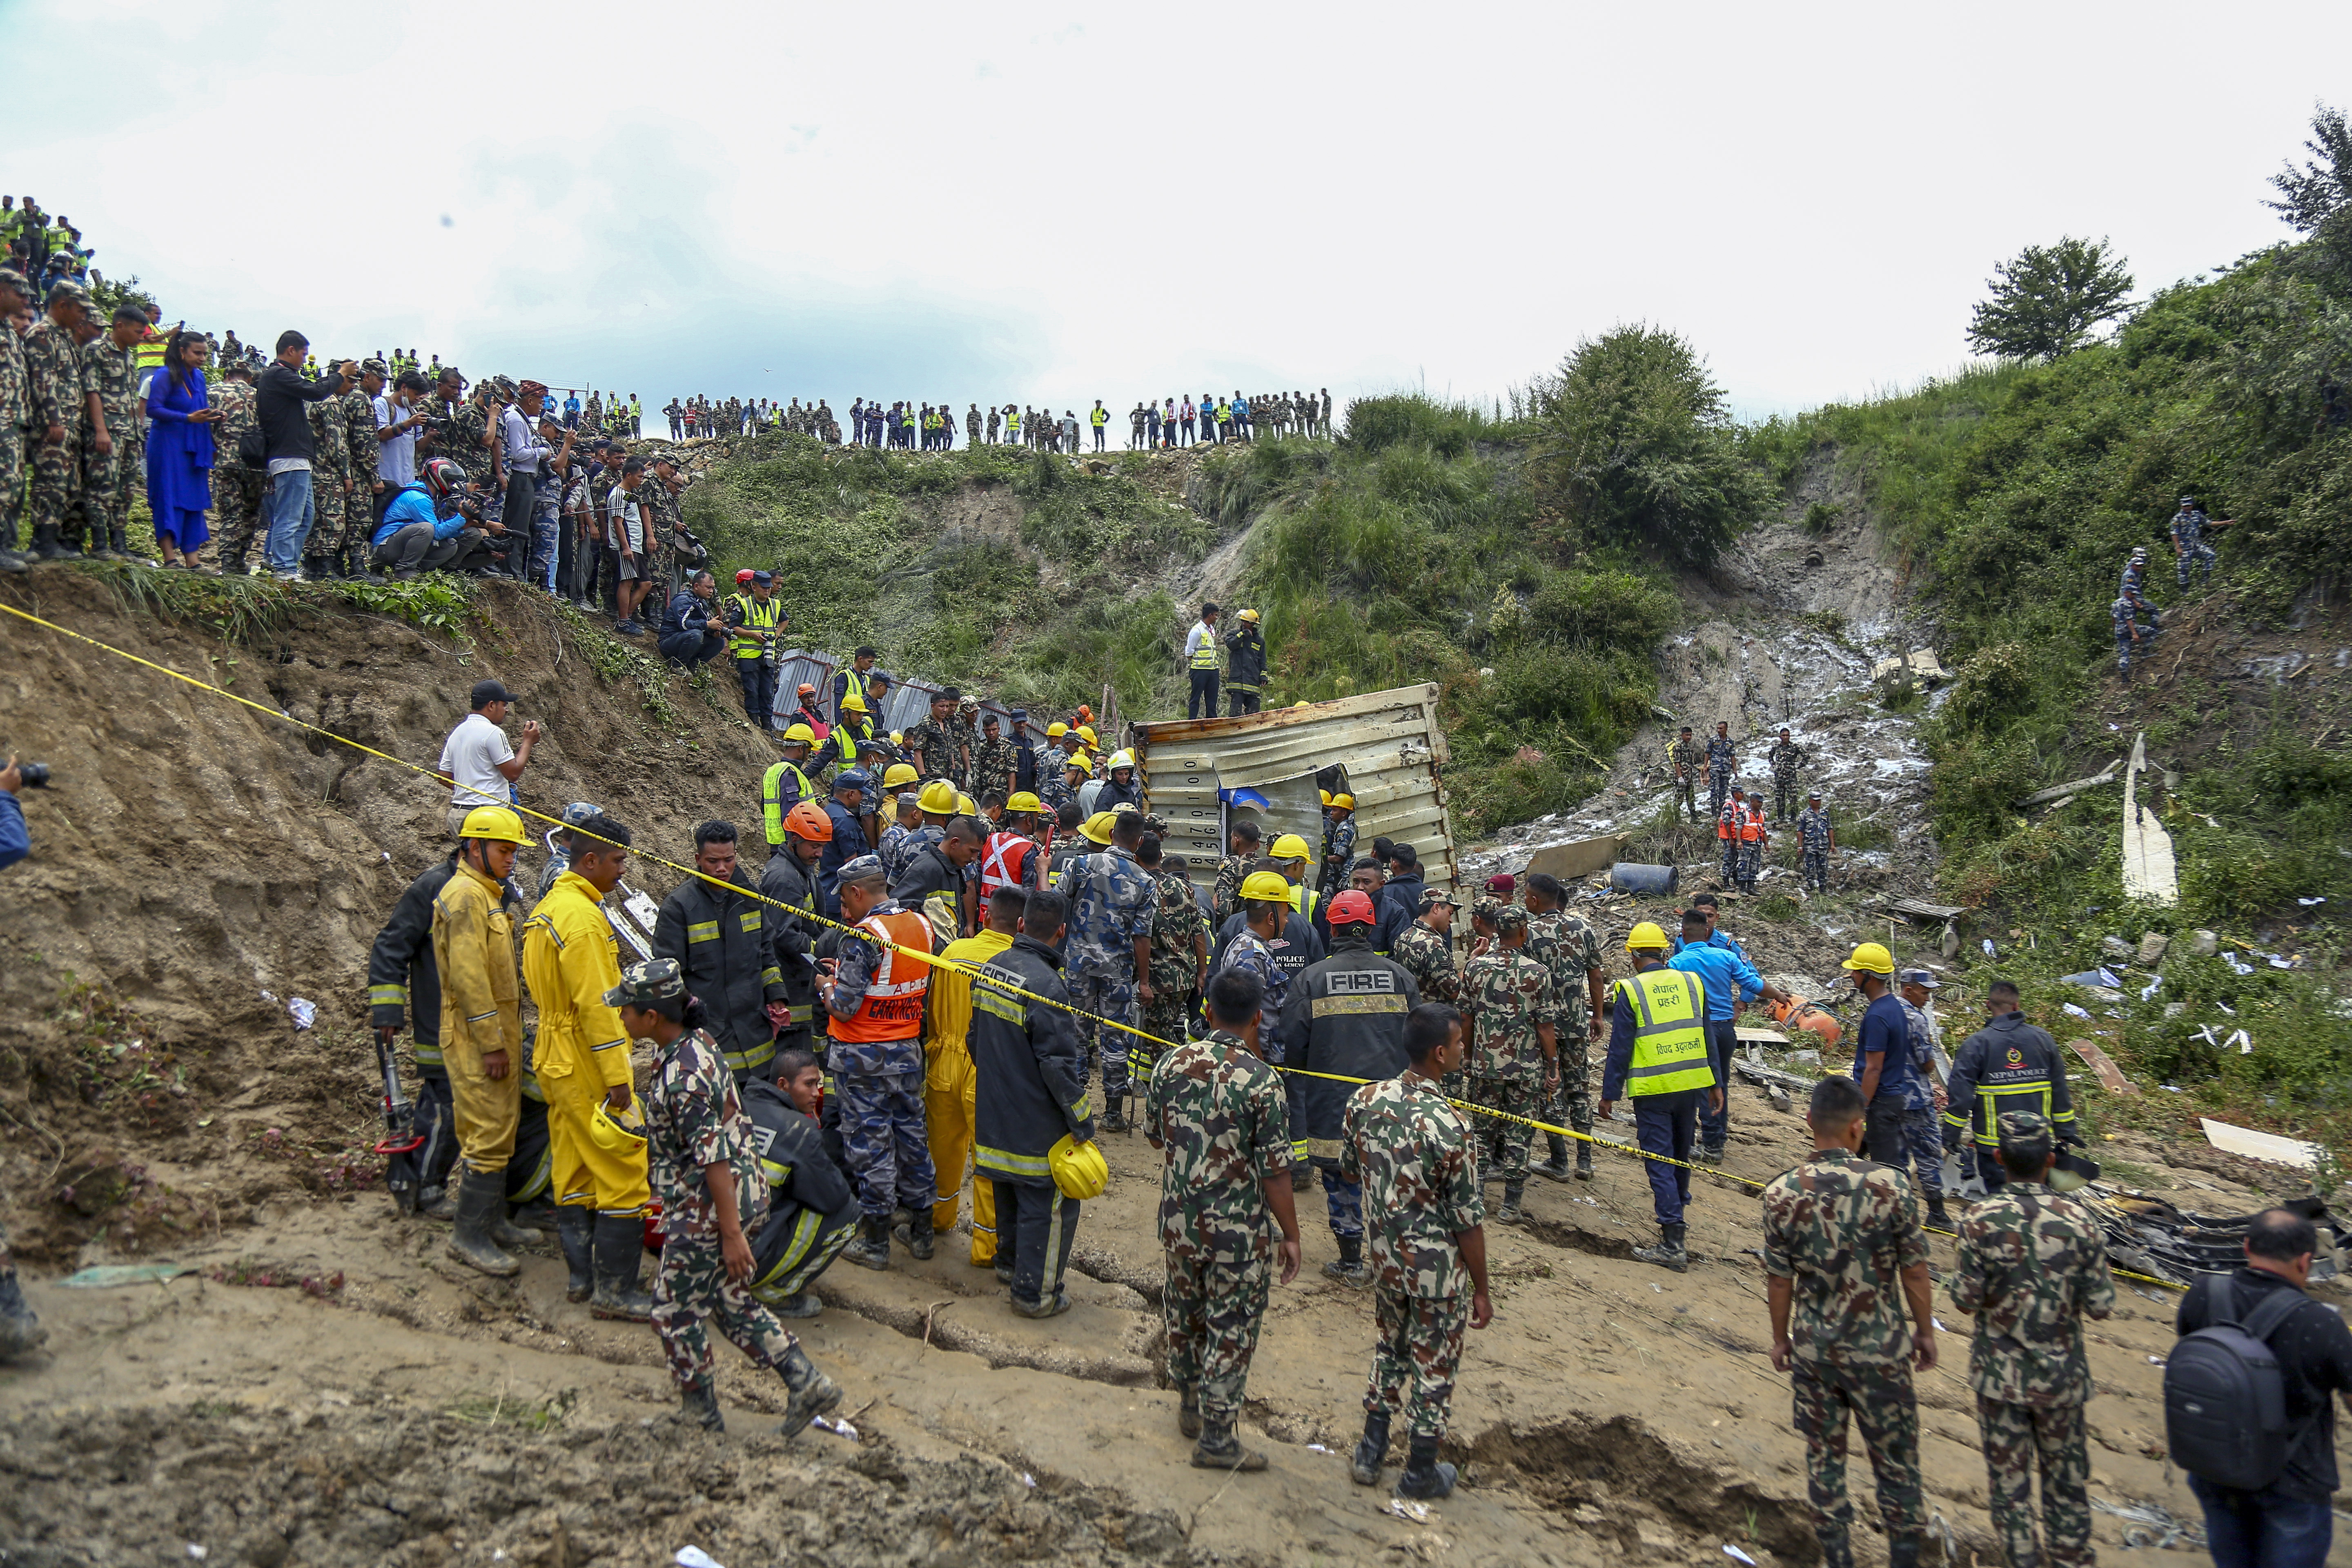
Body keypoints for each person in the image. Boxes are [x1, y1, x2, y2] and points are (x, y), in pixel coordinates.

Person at [617, 958, 845, 1439]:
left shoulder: (683, 1074)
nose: (622, 1017)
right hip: (733, 1195)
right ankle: (807, 1382)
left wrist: (731, 1234)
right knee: (727, 1300)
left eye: (628, 1010)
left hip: (709, 1206)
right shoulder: (696, 1044)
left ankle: (699, 1414)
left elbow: (713, 1157)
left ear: (652, 1017)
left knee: (674, 1313)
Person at [1762, 1074, 1935, 1568]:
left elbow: (1779, 1281)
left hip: (1816, 1355)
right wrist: (1923, 1332)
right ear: (1859, 1128)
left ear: (1809, 1122)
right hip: (1882, 1355)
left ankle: (1838, 1558)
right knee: (1898, 1467)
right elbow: (1916, 1271)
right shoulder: (1891, 1186)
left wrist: (1781, 1340)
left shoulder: (1781, 1194)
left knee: (1825, 1462)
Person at [1145, 965, 1303, 1471]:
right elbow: (1276, 1173)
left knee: (1184, 1316)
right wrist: (1292, 1235)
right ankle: (1216, 1437)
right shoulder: (1262, 1082)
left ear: (1207, 1011)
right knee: (1231, 1326)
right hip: (1237, 1234)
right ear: (1258, 1018)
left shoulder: (1170, 1064)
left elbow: (1154, 1135)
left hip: (1180, 1223)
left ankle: (1189, 1404)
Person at [1949, 1111, 2114, 1568]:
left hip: (2000, 1383)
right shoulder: (2081, 1222)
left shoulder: (1978, 1220)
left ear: (1999, 1158)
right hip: (2062, 1382)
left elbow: (1964, 1300)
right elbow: (2101, 1305)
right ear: (2049, 1160)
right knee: (2066, 1485)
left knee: (2010, 1489)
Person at [1340, 1002, 1489, 1499]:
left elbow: (1348, 1167)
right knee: (1434, 1365)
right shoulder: (1452, 1125)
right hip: (1437, 1272)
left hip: (1385, 1259)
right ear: (1441, 1053)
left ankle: (1370, 1451)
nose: (1464, 1049)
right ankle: (1420, 1469)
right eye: (1460, 1044)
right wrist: (1483, 1288)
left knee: (1390, 1349)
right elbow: (1467, 1221)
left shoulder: (1365, 1101)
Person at [521, 811, 655, 1322]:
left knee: (575, 1165)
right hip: (582, 1057)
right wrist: (619, 1079)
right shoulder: (581, 920)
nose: (623, 870)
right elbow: (599, 1006)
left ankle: (582, 1278)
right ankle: (615, 1291)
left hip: (554, 1055)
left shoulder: (551, 908)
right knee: (624, 1166)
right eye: (619, 861)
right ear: (592, 860)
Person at [2173, 1207, 2352, 1568]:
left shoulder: (2204, 1294)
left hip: (2215, 1467)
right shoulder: (2323, 1325)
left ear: (2246, 1246)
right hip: (2294, 1483)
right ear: (2305, 1261)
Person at [970, 889, 1099, 1317]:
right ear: (1061, 932)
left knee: (1007, 1191)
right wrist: (1082, 1122)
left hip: (992, 1114)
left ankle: (1010, 1268)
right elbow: (1058, 1067)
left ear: (1021, 924)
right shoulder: (1048, 986)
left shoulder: (990, 968)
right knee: (1049, 1207)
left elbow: (975, 1040)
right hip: (1035, 1125)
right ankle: (1035, 1295)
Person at [425, 805, 541, 1277]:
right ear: (474, 848)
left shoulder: (485, 894)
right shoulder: (466, 898)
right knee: (488, 1134)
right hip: (477, 1041)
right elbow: (471, 980)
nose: (511, 858)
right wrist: (492, 1043)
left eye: (515, 850)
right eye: (503, 849)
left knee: (502, 1124)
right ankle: (468, 1236)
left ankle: (492, 1221)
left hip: (498, 1036)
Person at [1281, 889, 1420, 1283]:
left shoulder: (1310, 979)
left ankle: (1351, 1260)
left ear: (1332, 928)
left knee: (1341, 1180)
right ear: (1371, 928)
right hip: (1392, 1103)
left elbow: (1293, 1045)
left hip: (1332, 1103)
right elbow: (1418, 1040)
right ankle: (1394, 1260)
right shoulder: (1401, 978)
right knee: (1390, 1179)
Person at [818, 855, 937, 1270]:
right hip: (906, 1052)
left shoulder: (863, 936)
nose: (844, 910)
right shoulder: (922, 925)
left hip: (862, 1057)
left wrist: (826, 986)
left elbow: (845, 1007)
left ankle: (875, 1241)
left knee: (871, 1146)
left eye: (845, 901)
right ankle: (922, 1232)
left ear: (857, 892)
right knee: (912, 1139)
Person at [1599, 921, 1718, 1271]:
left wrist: (1609, 1095)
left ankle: (1672, 1241)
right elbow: (1706, 1031)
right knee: (1681, 1155)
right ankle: (1678, 1213)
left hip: (1654, 1090)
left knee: (1660, 1160)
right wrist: (1717, 1084)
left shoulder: (1631, 990)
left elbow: (1620, 1048)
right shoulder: (1692, 983)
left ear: (1633, 955)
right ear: (1666, 952)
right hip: (1691, 1084)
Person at [924, 884, 1025, 1268]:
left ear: (985, 917)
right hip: (986, 1070)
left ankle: (938, 1218)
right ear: (1021, 924)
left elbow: (933, 1010)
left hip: (943, 1062)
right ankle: (986, 1248)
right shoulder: (1014, 963)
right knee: (989, 1163)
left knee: (943, 1151)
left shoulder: (952, 952)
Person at [653, 821, 789, 1085]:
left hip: (756, 1032)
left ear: (736, 855)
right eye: (713, 861)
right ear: (697, 859)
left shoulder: (750, 898)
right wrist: (689, 1015)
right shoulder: (679, 907)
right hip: (709, 1035)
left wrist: (776, 995)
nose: (721, 869)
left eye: (728, 860)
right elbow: (668, 975)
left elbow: (766, 952)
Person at [1059, 809, 1158, 1131]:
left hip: (1078, 966)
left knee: (1076, 1034)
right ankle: (1114, 1113)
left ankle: (1074, 1107)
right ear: (1139, 841)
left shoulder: (1081, 865)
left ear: (1111, 832)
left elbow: (1058, 903)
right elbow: (1143, 936)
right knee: (1116, 1038)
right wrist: (1144, 983)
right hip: (1117, 970)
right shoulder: (1145, 881)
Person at [1459, 905, 1558, 1223]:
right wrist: (1552, 1065)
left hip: (1486, 1065)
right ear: (1524, 931)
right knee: (1520, 1134)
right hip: (1526, 1069)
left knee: (1482, 1133)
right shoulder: (1538, 973)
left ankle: (1475, 1197)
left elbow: (1466, 1017)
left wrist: (1467, 1054)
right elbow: (1545, 1027)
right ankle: (1511, 1205)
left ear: (1496, 932)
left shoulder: (1476, 969)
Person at [1667, 909, 1789, 1165]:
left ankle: (1695, 1143)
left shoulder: (1678, 963)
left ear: (1683, 934)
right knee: (1719, 1084)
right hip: (1724, 1031)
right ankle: (1714, 1142)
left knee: (1694, 1085)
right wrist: (1777, 994)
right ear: (1708, 931)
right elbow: (1753, 984)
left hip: (1696, 1030)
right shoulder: (1726, 957)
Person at [1944, 980, 2076, 1196]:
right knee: (2039, 1200)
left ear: (1988, 1005)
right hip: (2038, 1143)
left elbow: (1960, 1097)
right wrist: (2066, 1131)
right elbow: (2060, 1089)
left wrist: (1951, 1134)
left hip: (1996, 1147)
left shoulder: (1976, 1045)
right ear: (2017, 1006)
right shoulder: (2043, 1040)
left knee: (2000, 1202)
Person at [1521, 873, 1607, 1182]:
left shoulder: (1527, 933)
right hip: (1576, 1023)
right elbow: (1596, 976)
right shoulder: (1582, 928)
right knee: (1580, 1089)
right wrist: (1597, 1015)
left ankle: (1559, 1161)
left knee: (1550, 1091)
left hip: (1543, 1028)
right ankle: (1585, 1161)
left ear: (1534, 899)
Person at [255, 331, 354, 580]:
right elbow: (314, 392)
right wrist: (340, 374)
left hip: (295, 458)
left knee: (305, 517)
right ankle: (283, 568)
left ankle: (286, 565)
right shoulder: (278, 374)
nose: (304, 359)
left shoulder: (279, 378)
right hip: (289, 457)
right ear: (291, 350)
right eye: (303, 353)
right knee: (290, 516)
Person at [141, 326, 218, 569]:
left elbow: (198, 409)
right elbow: (153, 410)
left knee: (193, 500)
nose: (203, 359)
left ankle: (193, 561)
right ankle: (170, 559)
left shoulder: (200, 377)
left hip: (193, 448)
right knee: (168, 497)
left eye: (205, 354)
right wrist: (187, 419)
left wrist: (212, 416)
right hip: (167, 445)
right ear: (183, 351)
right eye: (198, 353)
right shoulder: (165, 375)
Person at [1137, 834, 1207, 1080]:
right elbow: (1199, 932)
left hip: (1154, 980)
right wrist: (1201, 973)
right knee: (1165, 1033)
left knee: (1158, 1042)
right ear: (1160, 856)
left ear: (1135, 857)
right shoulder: (1184, 887)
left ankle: (1180, 1084)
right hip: (1183, 978)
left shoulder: (1137, 885)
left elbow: (1139, 937)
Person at [437, 679, 540, 840]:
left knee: (468, 863)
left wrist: (470, 791)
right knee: (494, 863)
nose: (506, 710)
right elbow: (513, 773)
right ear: (492, 705)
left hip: (459, 816)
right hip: (487, 818)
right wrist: (528, 742)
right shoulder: (493, 733)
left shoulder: (457, 732)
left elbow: (443, 777)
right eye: (504, 705)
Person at [1842, 942, 1913, 1169]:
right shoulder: (1893, 1007)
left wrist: (1861, 1109)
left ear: (1868, 977)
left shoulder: (1877, 1016)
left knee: (1888, 1170)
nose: (1851, 975)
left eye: (1855, 971)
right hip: (1888, 1100)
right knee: (1848, 1159)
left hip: (1880, 1104)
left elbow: (1874, 1068)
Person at [1893, 971, 1951, 1230]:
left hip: (1890, 1098)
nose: (1928, 999)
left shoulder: (1883, 1011)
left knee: (1898, 1158)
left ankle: (1901, 1211)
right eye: (1925, 992)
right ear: (1908, 990)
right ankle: (1937, 1213)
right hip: (1917, 1100)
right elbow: (1928, 1063)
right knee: (1929, 1156)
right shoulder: (1916, 1019)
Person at [723, 570, 786, 728]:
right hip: (748, 655)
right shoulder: (744, 604)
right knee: (751, 690)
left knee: (767, 691)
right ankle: (753, 722)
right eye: (764, 587)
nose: (767, 590)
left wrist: (776, 635)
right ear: (754, 586)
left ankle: (767, 724)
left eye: (769, 588)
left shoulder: (775, 604)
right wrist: (753, 635)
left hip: (768, 654)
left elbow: (785, 620)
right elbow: (733, 627)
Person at [659, 569, 728, 672]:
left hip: (685, 640)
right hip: (669, 643)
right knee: (696, 634)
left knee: (719, 642)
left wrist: (713, 632)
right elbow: (683, 624)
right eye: (708, 587)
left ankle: (693, 665)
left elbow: (700, 625)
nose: (711, 591)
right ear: (696, 586)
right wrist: (707, 624)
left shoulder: (701, 602)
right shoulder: (684, 600)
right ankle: (678, 666)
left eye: (713, 588)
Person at [1223, 608, 1266, 715]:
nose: (1243, 624)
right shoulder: (1234, 635)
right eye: (1242, 621)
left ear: (1252, 624)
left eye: (1246, 622)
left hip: (1253, 683)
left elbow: (1263, 661)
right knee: (1235, 714)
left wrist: (1264, 676)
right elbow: (1231, 645)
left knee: (1254, 715)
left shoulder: (1259, 641)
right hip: (1238, 682)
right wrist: (1242, 635)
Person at [1184, 603, 1222, 719]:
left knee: (1212, 700)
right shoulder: (1197, 631)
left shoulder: (1211, 630)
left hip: (1213, 670)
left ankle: (1212, 723)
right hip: (1200, 671)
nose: (1217, 618)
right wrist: (1198, 664)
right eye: (1216, 615)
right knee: (1196, 698)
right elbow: (1189, 652)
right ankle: (1192, 722)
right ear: (1210, 615)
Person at [1796, 791, 1836, 892]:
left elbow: (1829, 829)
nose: (1818, 802)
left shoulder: (1825, 813)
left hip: (1823, 845)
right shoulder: (1805, 814)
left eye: (1819, 800)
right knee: (1810, 868)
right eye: (1816, 800)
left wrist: (1832, 844)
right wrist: (1800, 846)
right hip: (1810, 846)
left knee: (1823, 868)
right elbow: (1800, 831)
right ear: (1810, 801)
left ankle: (1823, 889)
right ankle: (1812, 888)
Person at [1767, 727, 1809, 823]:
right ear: (1780, 737)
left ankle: (1793, 818)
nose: (1786, 737)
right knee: (1780, 798)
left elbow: (1806, 756)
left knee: (1793, 798)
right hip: (1779, 778)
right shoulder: (1777, 747)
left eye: (1787, 735)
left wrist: (1799, 765)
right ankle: (1781, 817)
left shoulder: (1795, 747)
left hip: (1791, 778)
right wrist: (1774, 765)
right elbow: (1770, 756)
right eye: (1784, 735)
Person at [1666, 726, 1702, 824]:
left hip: (1689, 777)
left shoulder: (1689, 747)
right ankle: (1676, 819)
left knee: (1691, 798)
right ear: (1682, 735)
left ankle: (1694, 818)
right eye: (1687, 735)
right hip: (1682, 777)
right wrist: (1680, 777)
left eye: (1690, 735)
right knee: (1679, 799)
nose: (1689, 737)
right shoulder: (1678, 747)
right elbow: (1677, 763)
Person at [1706, 720, 1736, 818]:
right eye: (1718, 728)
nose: (1719, 730)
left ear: (1726, 729)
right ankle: (1714, 814)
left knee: (1723, 791)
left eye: (1721, 728)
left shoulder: (1730, 742)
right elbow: (1707, 753)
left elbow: (1732, 756)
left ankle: (1721, 814)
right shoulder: (1713, 740)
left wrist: (1735, 770)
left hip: (1726, 769)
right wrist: (1705, 766)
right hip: (1715, 768)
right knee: (1714, 791)